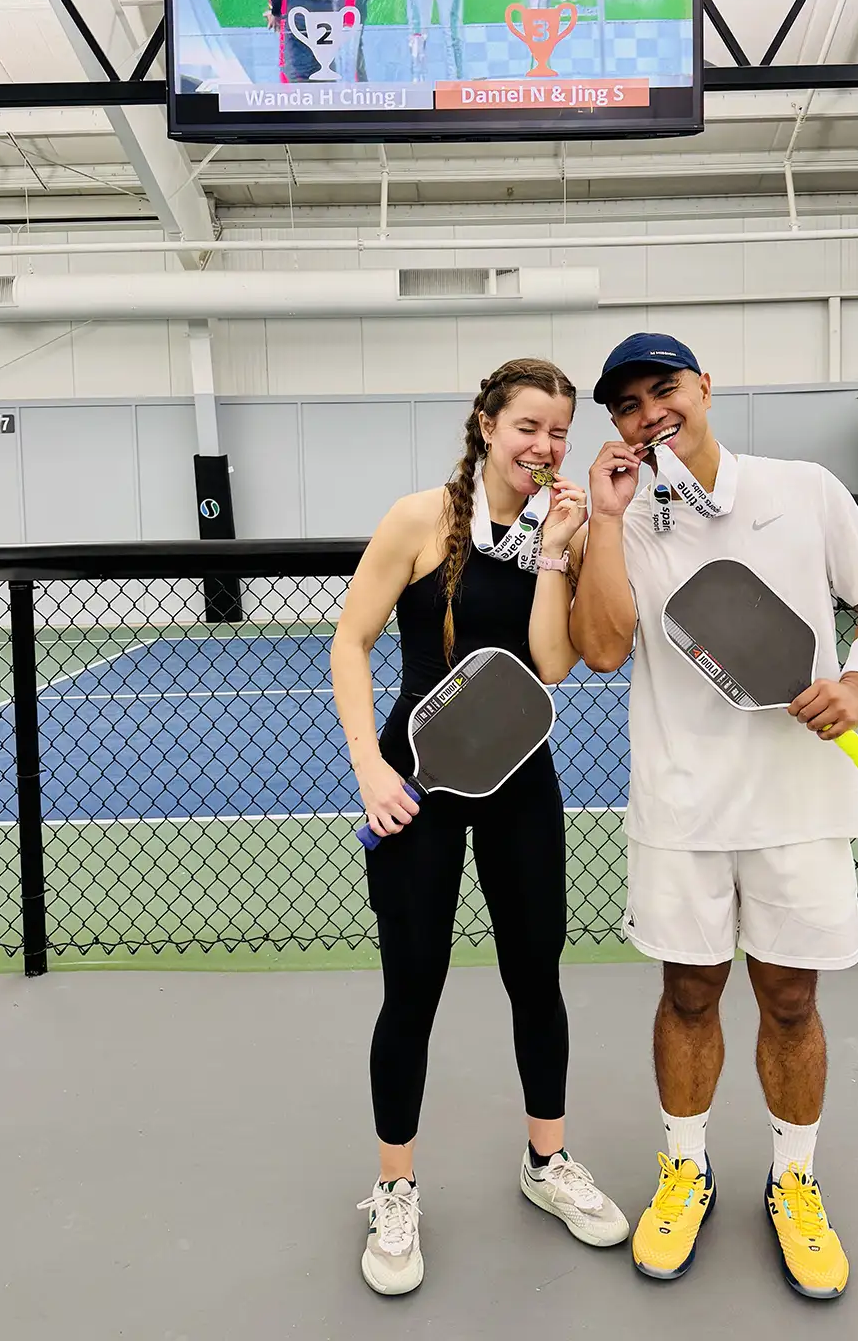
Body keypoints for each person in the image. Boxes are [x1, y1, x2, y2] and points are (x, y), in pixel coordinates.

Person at [570, 333, 858, 1299]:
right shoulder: (624, 517)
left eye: (663, 389)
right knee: (687, 994)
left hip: (799, 803)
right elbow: (599, 648)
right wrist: (604, 518)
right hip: (681, 804)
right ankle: (687, 1168)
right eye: (628, 405)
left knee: (792, 1000)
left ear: (705, 387)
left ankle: (794, 1182)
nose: (650, 414)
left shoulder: (803, 488)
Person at [331, 358, 628, 1296]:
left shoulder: (561, 532)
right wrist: (369, 766)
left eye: (558, 433)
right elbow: (352, 641)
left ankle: (547, 1167)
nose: (543, 447)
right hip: (414, 784)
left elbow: (551, 664)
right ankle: (395, 1188)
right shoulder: (419, 519)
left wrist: (558, 549)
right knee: (411, 989)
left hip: (519, 780)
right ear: (487, 425)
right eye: (527, 426)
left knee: (535, 977)